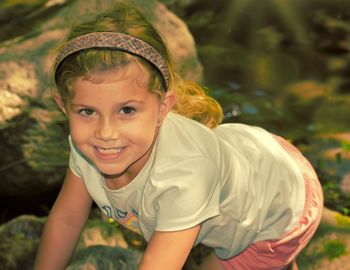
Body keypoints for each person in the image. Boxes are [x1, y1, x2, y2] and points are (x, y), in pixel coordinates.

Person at [34, 1, 323, 269]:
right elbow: (67, 219)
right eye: (87, 112)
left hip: (281, 206)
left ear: (162, 108)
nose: (105, 132)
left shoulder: (184, 175)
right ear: (64, 106)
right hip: (251, 155)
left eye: (126, 110)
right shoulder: (87, 145)